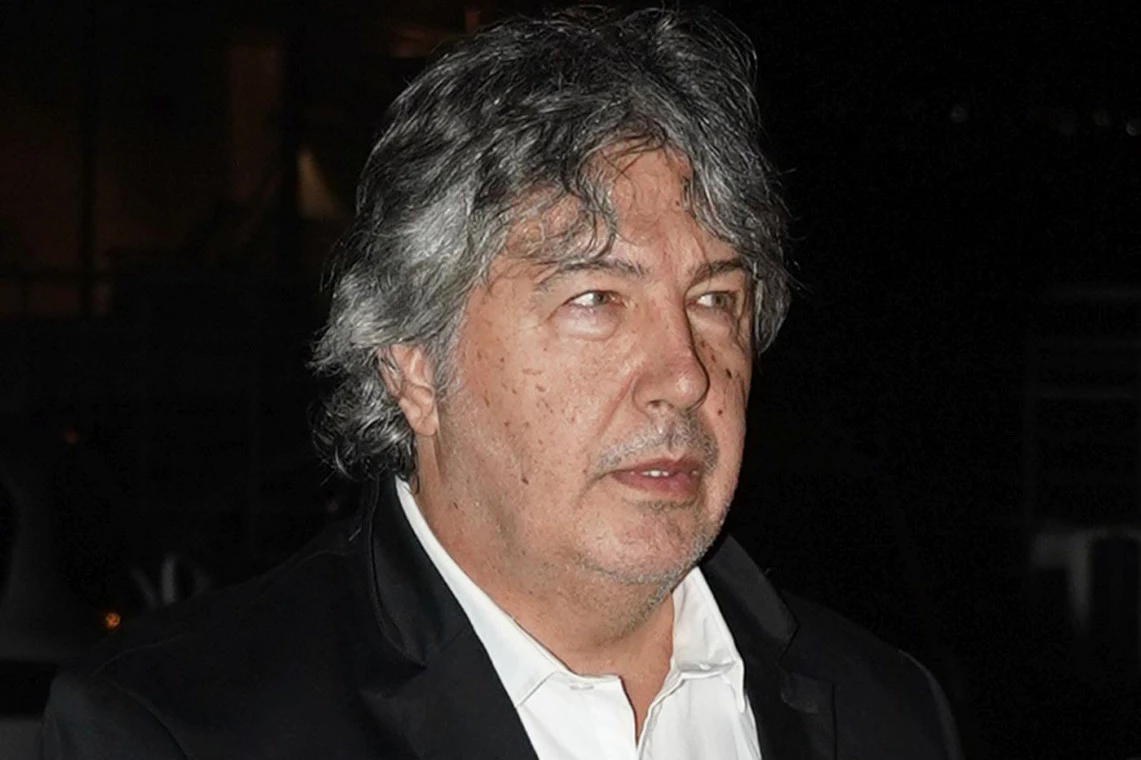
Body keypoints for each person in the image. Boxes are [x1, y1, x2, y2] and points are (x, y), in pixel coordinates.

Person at [38, 7, 962, 759]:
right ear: (412, 362)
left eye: (714, 299)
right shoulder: (179, 730)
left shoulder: (887, 710)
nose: (684, 376)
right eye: (595, 299)